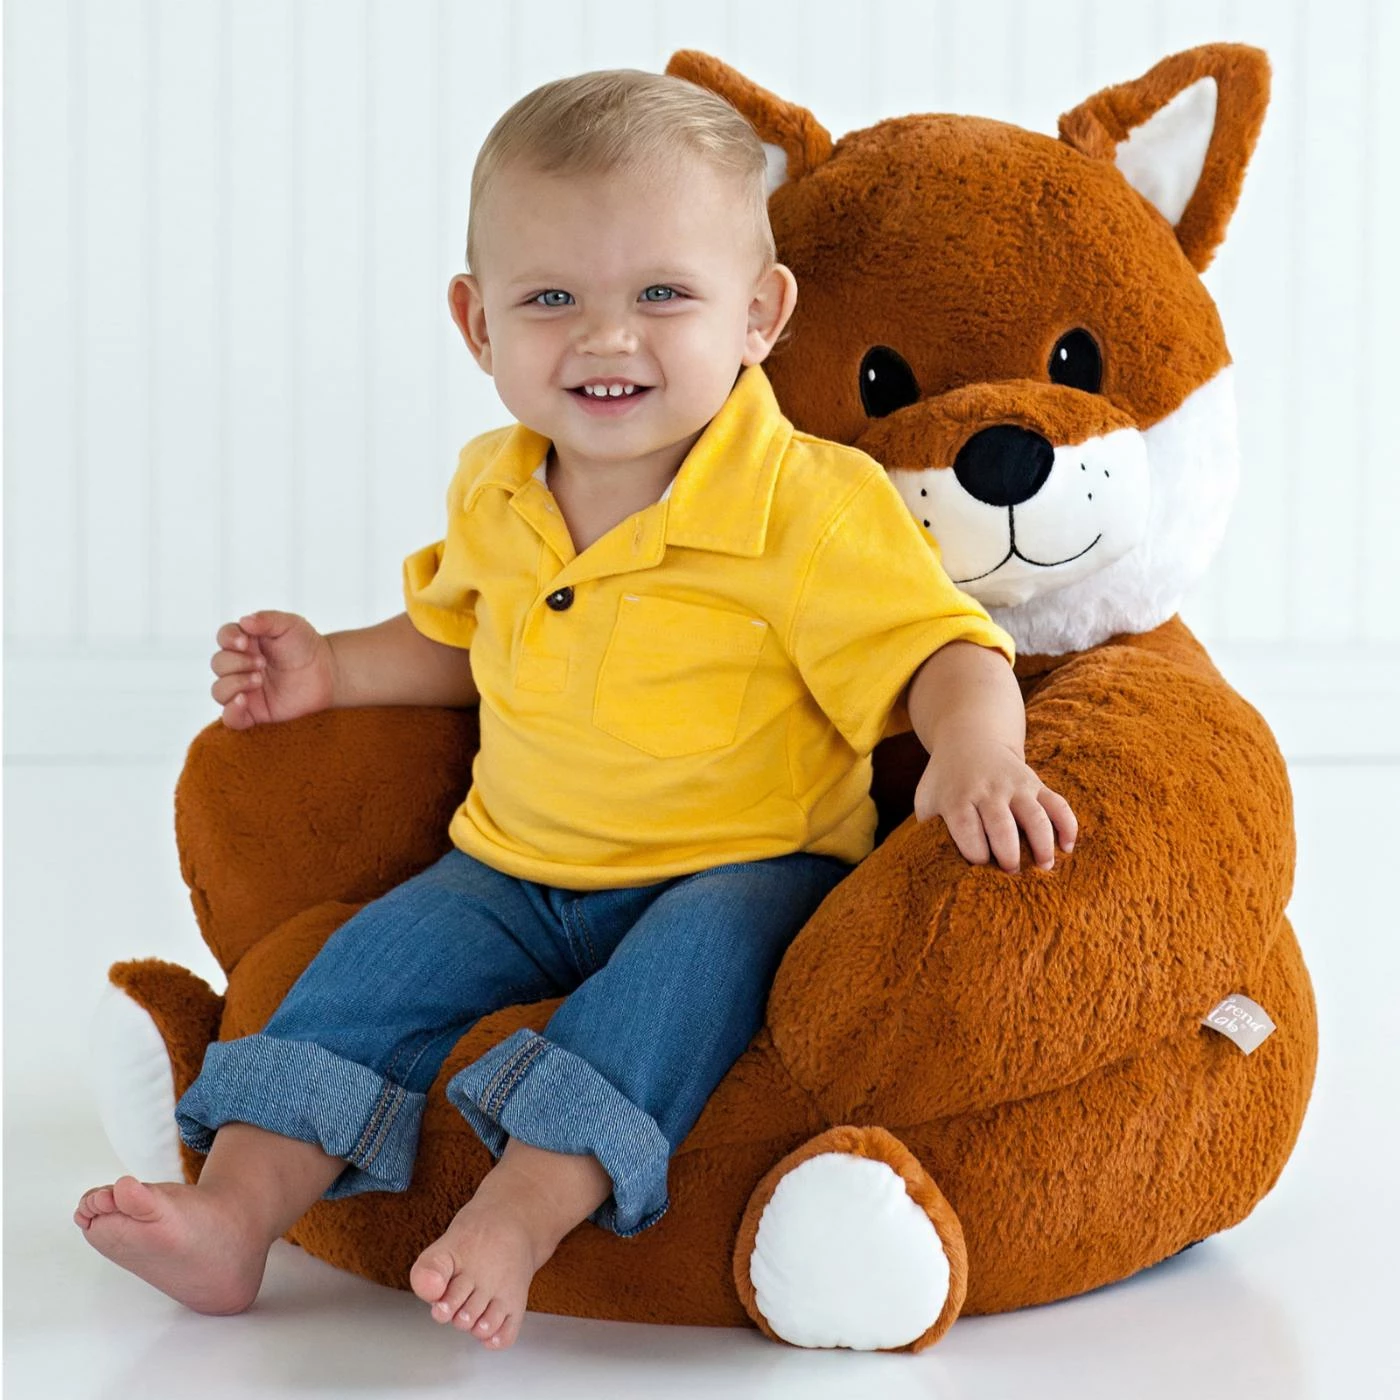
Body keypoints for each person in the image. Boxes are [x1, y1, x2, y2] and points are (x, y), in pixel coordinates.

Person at [73, 69, 1077, 1351]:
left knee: (674, 991)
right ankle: (233, 1214)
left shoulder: (807, 502)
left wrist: (977, 749)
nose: (606, 340)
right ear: (475, 322)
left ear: (758, 313)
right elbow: (460, 637)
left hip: (741, 865)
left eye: (661, 295)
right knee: (363, 974)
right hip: (510, 861)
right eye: (550, 299)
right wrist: (331, 667)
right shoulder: (497, 485)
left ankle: (518, 1211)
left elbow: (941, 646)